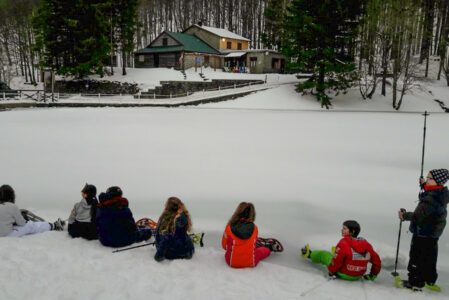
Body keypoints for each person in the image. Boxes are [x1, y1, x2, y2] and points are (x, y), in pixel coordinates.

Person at [398, 169, 448, 291]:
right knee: (430, 256)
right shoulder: (440, 193)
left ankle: (415, 282)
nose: (427, 180)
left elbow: (418, 216)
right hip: (432, 233)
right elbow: (430, 191)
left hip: (423, 232)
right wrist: (423, 184)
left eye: (429, 178)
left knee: (417, 257)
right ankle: (429, 280)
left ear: (437, 181)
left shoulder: (431, 199)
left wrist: (404, 215)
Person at [301, 220, 381, 281]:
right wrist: (372, 275)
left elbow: (337, 261)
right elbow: (376, 260)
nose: (342, 230)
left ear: (352, 231)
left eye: (344, 228)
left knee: (324, 254)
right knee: (345, 254)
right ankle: (338, 252)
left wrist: (332, 272)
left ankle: (309, 254)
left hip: (343, 274)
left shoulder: (344, 242)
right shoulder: (367, 245)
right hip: (358, 276)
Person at [0, 184, 64, 237]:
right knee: (30, 225)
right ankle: (53, 225)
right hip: (7, 234)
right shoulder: (12, 206)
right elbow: (21, 223)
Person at [222, 202, 272, 268]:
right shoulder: (254, 228)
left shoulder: (229, 227)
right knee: (262, 251)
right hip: (251, 262)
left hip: (232, 262)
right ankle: (269, 248)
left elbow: (224, 246)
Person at [154, 197, 194, 262]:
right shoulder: (182, 216)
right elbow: (171, 237)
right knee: (186, 239)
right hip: (180, 252)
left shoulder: (166, 216)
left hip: (168, 250)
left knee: (173, 237)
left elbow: (167, 236)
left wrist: (159, 252)